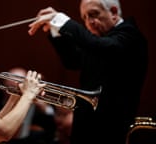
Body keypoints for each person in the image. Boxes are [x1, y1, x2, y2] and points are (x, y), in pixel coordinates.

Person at [28, 0, 148, 144]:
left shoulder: (130, 35)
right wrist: (55, 29)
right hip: (86, 124)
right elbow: (73, 61)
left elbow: (103, 47)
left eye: (93, 14)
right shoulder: (99, 41)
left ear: (114, 12)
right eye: (84, 17)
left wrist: (61, 20)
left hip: (111, 128)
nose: (89, 22)